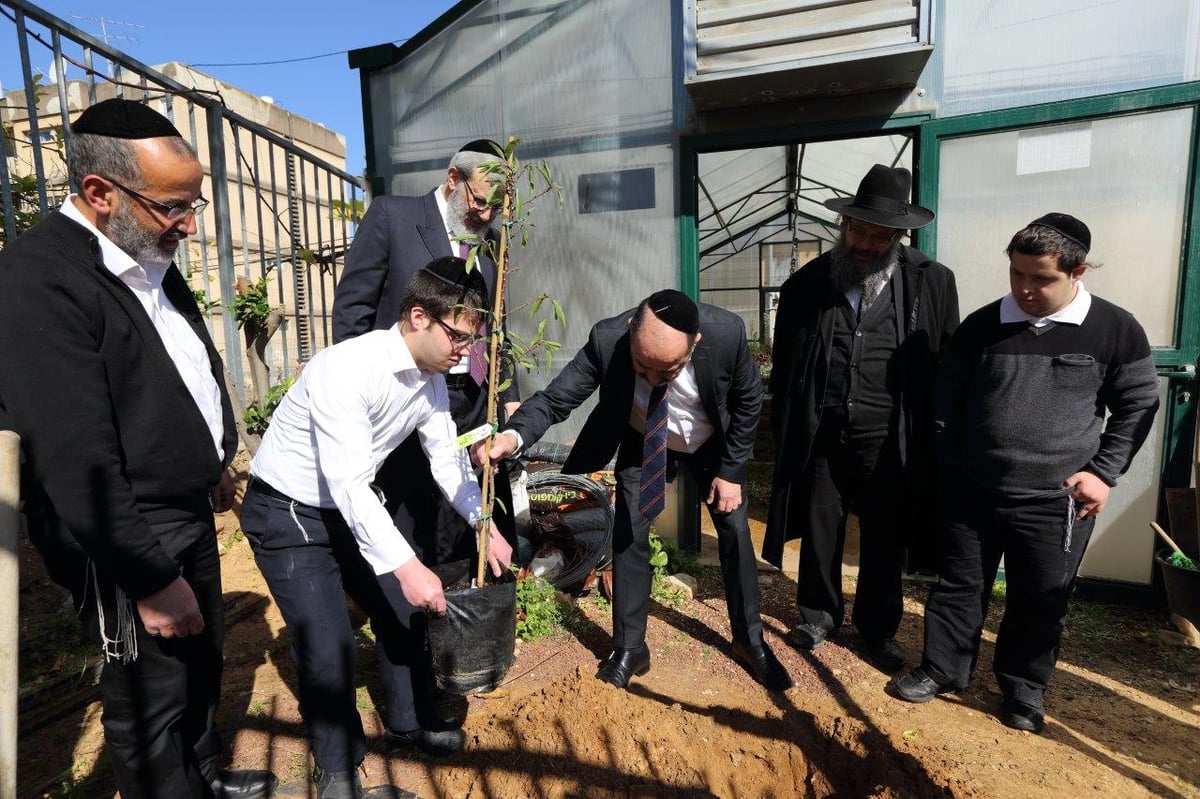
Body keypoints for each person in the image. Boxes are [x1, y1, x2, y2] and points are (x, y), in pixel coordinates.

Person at [0, 99, 275, 798]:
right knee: (150, 692)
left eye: (193, 204)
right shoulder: (38, 279)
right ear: (100, 192)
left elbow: (185, 361)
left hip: (182, 507)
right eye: (174, 206)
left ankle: (204, 773)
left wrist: (215, 460)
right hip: (126, 531)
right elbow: (76, 457)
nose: (188, 223)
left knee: (201, 661)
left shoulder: (143, 251)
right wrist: (147, 578)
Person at [240, 257, 513, 798]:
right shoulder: (347, 369)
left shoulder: (431, 381)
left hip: (349, 506)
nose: (465, 349)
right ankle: (339, 777)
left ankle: (410, 723)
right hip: (291, 512)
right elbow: (346, 482)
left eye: (473, 338)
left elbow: (445, 459)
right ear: (418, 316)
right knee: (328, 642)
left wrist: (483, 522)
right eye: (458, 335)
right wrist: (407, 564)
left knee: (403, 611)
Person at [892, 214, 1160, 733]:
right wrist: (952, 464)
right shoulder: (983, 325)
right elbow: (948, 400)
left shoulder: (1114, 329)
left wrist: (1103, 473)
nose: (1025, 288)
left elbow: (1139, 403)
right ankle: (944, 669)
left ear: (1078, 271)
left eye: (1041, 278)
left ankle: (1022, 690)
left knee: (1040, 597)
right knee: (958, 585)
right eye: (1017, 274)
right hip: (974, 489)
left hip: (1057, 497)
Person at [484, 290, 793, 692]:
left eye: (668, 371)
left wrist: (731, 471)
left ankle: (750, 641)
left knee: (735, 532)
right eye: (642, 366)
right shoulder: (606, 339)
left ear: (694, 344)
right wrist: (513, 436)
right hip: (645, 439)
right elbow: (556, 400)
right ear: (632, 331)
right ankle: (630, 648)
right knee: (629, 534)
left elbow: (749, 399)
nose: (652, 378)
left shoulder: (726, 334)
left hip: (711, 445)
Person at [762, 164, 959, 673]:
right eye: (859, 232)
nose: (866, 244)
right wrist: (786, 423)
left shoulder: (930, 282)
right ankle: (819, 615)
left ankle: (877, 628)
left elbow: (944, 358)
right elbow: (785, 364)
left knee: (885, 535)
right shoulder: (807, 284)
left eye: (880, 236)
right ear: (844, 227)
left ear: (899, 235)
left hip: (890, 434)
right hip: (823, 428)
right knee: (821, 524)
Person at [333, 139, 520, 566]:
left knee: (461, 497)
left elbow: (495, 323)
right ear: (452, 178)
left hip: (471, 393)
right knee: (409, 503)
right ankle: (407, 601)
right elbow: (354, 308)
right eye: (479, 201)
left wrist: (508, 390)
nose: (486, 215)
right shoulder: (393, 217)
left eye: (497, 207)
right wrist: (360, 385)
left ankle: (459, 596)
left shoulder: (490, 244)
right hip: (405, 388)